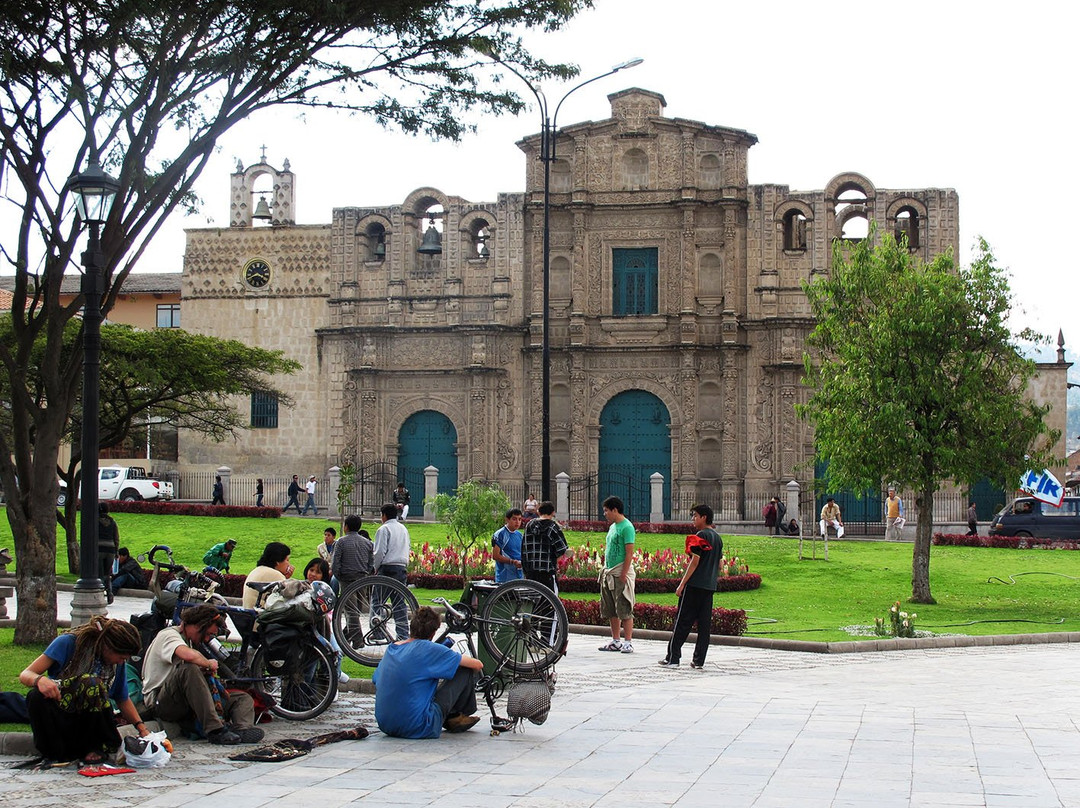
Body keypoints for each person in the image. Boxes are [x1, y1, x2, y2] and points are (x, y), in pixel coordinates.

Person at [20, 616, 150, 763]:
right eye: (120, 657)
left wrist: (142, 729)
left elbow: (122, 698)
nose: (122, 662)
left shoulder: (116, 664)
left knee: (94, 686)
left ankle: (94, 748)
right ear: (107, 646)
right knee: (38, 695)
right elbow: (26, 674)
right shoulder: (68, 642)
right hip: (62, 715)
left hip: (87, 724)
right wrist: (40, 680)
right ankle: (55, 752)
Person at [141, 604, 263, 746]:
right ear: (197, 625)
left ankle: (242, 729)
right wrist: (208, 664)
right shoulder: (169, 635)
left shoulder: (191, 641)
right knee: (189, 669)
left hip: (184, 700)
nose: (206, 639)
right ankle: (215, 730)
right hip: (161, 702)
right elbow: (187, 656)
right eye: (207, 634)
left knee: (242, 698)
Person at [372, 606, 484, 738]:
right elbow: (478, 665)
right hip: (418, 726)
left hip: (385, 725)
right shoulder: (429, 648)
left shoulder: (392, 648)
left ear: (411, 628)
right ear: (433, 633)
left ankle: (453, 716)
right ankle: (457, 716)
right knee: (465, 669)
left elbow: (376, 679)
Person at [659, 504, 723, 669]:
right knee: (704, 626)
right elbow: (720, 565)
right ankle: (698, 660)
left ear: (703, 517)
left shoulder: (699, 536)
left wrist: (682, 584)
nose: (693, 519)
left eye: (695, 516)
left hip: (694, 585)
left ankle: (673, 658)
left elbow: (694, 562)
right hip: (709, 587)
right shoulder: (718, 538)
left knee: (682, 622)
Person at [597, 496, 636, 654]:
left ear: (615, 510)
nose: (604, 514)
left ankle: (628, 642)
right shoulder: (613, 527)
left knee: (624, 607)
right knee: (611, 608)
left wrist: (624, 573)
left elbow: (629, 552)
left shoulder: (627, 527)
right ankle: (616, 640)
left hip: (620, 572)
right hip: (609, 572)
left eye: (606, 511)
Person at [374, 503, 412, 640]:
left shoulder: (383, 529)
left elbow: (379, 552)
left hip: (387, 567)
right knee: (399, 602)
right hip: (401, 567)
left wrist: (376, 567)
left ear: (384, 515)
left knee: (378, 600)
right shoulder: (403, 529)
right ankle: (402, 634)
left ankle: (377, 631)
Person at [521, 500, 569, 593]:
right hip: (547, 571)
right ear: (553, 513)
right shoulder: (552, 526)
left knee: (532, 601)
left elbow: (524, 547)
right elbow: (562, 548)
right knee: (551, 602)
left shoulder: (529, 525)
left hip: (530, 570)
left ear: (538, 511)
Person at [242, 542, 294, 609]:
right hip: (262, 616)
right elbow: (289, 597)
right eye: (287, 560)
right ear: (278, 561)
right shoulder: (275, 574)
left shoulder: (256, 570)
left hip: (248, 613)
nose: (288, 564)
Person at [333, 513, 374, 589]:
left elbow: (335, 562)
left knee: (349, 600)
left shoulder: (341, 542)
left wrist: (339, 576)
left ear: (346, 526)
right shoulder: (368, 543)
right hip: (362, 577)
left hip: (346, 578)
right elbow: (371, 563)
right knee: (362, 599)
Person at [491, 508, 524, 583]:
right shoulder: (500, 534)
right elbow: (495, 555)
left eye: (519, 519)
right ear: (507, 519)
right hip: (505, 577)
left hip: (518, 575)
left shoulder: (519, 535)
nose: (517, 522)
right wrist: (512, 562)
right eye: (514, 519)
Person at [97, 502, 120, 604]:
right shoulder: (112, 522)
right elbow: (116, 537)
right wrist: (116, 550)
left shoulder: (95, 521)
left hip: (99, 549)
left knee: (99, 574)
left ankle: (100, 594)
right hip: (111, 549)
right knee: (107, 574)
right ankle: (110, 593)